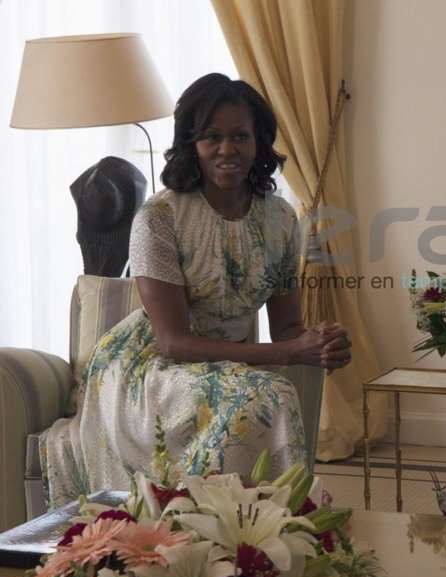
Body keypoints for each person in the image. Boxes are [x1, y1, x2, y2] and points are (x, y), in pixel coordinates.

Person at [41, 73, 352, 507]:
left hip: (228, 364)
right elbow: (175, 342)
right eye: (212, 137)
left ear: (259, 141)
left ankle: (264, 534)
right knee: (267, 394)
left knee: (260, 393)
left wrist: (317, 344)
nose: (228, 149)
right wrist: (288, 352)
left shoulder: (281, 219)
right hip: (150, 369)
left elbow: (286, 327)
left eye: (240, 135)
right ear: (192, 144)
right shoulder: (159, 218)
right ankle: (251, 524)